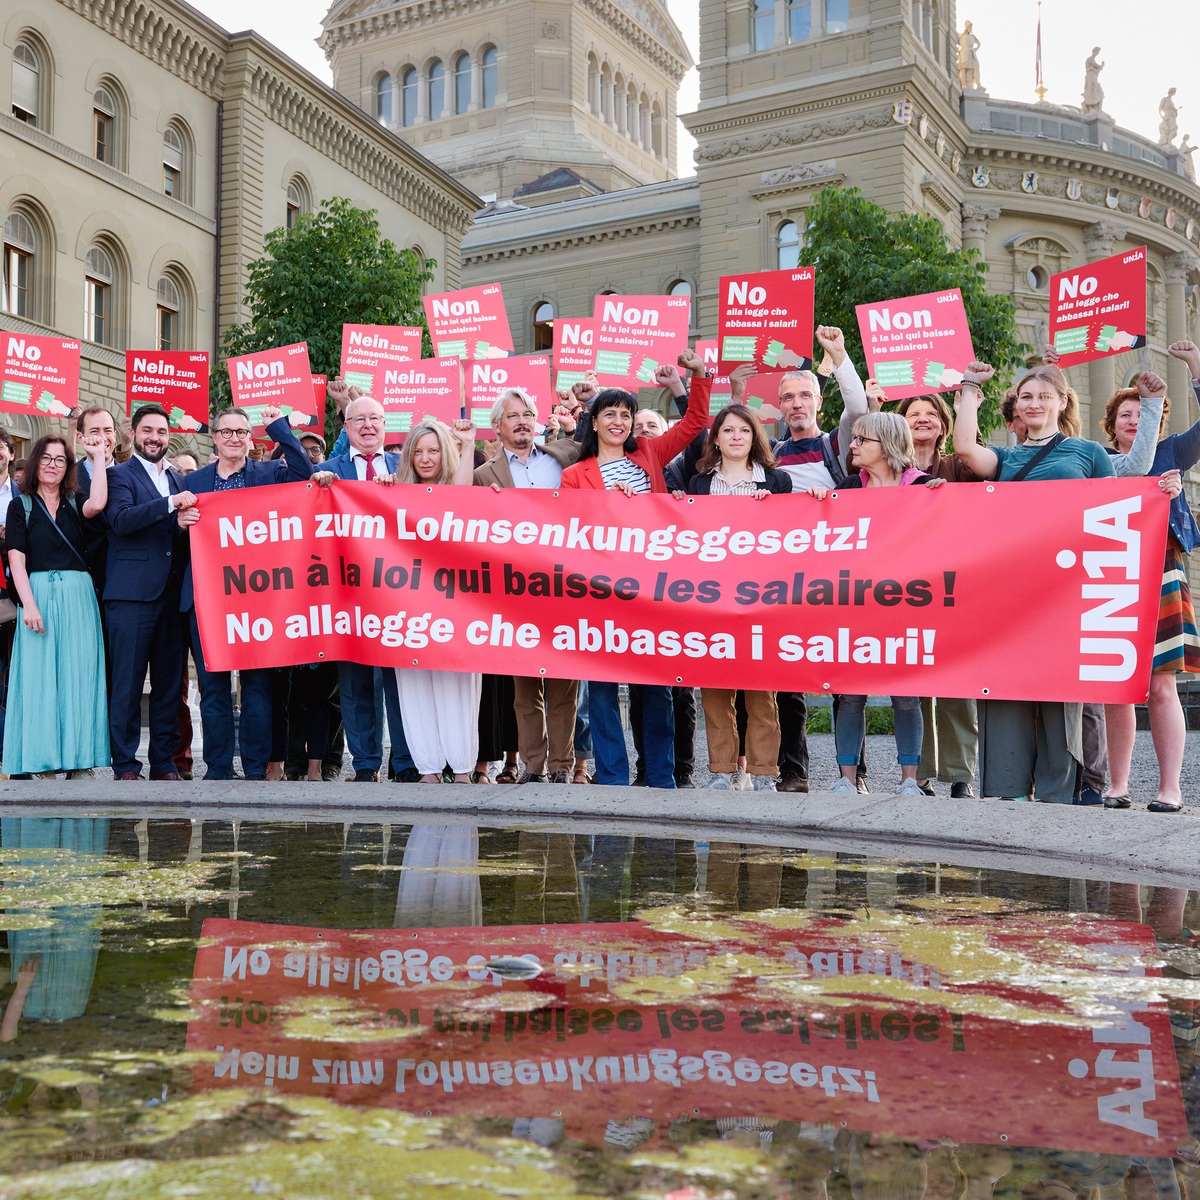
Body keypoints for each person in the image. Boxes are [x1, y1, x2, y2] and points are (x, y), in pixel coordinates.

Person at [950, 361, 1122, 803]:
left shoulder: (1088, 453)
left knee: (1060, 688)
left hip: (1067, 593)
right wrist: (970, 387)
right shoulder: (1007, 458)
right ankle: (1006, 788)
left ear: (1062, 402)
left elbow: (1116, 511)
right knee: (1008, 683)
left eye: (1044, 396)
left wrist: (1162, 491)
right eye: (1026, 396)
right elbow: (965, 446)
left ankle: (1062, 789)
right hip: (1012, 592)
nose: (1034, 403)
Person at [560, 352, 711, 787]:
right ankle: (611, 775)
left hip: (652, 588)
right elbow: (572, 531)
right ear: (595, 420)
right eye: (611, 414)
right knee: (604, 689)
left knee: (657, 686)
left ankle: (660, 776)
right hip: (600, 590)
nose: (620, 422)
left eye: (626, 415)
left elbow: (696, 423)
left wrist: (694, 376)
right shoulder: (575, 475)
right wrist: (611, 507)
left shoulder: (650, 450)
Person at [807, 412, 939, 796]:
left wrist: (947, 499)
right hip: (856, 609)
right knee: (849, 693)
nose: (852, 445)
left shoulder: (926, 488)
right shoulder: (847, 488)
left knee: (907, 694)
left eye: (861, 440)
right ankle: (847, 780)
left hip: (907, 608)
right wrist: (820, 503)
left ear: (888, 445)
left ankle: (909, 781)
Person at [179, 405, 313, 780]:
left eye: (241, 432)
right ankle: (218, 767)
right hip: (206, 599)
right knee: (213, 688)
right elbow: (175, 530)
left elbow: (304, 472)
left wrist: (279, 428)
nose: (234, 438)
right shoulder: (194, 481)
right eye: (226, 432)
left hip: (257, 598)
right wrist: (180, 520)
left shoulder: (270, 473)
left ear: (251, 437)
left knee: (257, 688)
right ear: (215, 437)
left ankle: (255, 768)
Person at [1100, 341, 1200, 813]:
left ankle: (1169, 789)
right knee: (1118, 684)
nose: (1133, 420)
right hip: (1107, 573)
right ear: (1112, 422)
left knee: (1161, 685)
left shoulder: (1173, 451)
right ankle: (1117, 785)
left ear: (1157, 420)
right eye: (1125, 413)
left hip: (1160, 572)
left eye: (1142, 413)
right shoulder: (1094, 461)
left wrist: (1195, 366)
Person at [474, 387, 582, 783]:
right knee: (525, 690)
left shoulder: (564, 456)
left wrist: (579, 409)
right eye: (513, 415)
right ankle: (533, 767)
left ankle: (561, 768)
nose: (522, 420)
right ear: (497, 426)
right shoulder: (483, 476)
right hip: (515, 593)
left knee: (564, 688)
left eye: (528, 413)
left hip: (565, 586)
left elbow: (612, 441)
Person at [684, 404, 791, 792]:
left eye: (744, 431)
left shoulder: (777, 483)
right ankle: (721, 770)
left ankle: (763, 773)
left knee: (761, 691)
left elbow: (794, 536)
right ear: (716, 438)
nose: (735, 437)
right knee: (714, 691)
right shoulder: (699, 483)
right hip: (710, 598)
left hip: (760, 599)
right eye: (728, 430)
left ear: (754, 437)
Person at [312, 396, 418, 783]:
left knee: (401, 682)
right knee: (356, 685)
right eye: (360, 419)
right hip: (348, 596)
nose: (368, 425)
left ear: (386, 424)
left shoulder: (405, 469)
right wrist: (318, 489)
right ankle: (367, 764)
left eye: (376, 418)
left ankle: (406, 763)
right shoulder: (325, 472)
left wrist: (399, 490)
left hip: (398, 594)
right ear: (346, 426)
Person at [375, 419, 482, 782]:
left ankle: (463, 768)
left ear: (444, 454)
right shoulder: (393, 492)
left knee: (457, 686)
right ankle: (429, 769)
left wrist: (468, 444)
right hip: (407, 606)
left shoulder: (455, 491)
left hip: (455, 605)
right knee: (415, 686)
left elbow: (463, 496)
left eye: (433, 450)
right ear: (408, 455)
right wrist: (384, 489)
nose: (425, 458)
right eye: (418, 451)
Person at [4, 434, 110, 778]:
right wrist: (29, 605)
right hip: (37, 596)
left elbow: (97, 503)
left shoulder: (74, 500)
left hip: (78, 595)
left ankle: (80, 761)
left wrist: (97, 457)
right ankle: (42, 761)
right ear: (36, 463)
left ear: (68, 467)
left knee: (80, 677)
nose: (53, 465)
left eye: (61, 460)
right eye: (47, 458)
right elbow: (16, 561)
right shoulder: (20, 506)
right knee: (38, 679)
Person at [895, 392, 982, 799]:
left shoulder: (959, 466)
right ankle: (922, 772)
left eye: (931, 414)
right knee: (916, 683)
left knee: (957, 685)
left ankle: (960, 773)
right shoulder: (890, 469)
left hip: (954, 589)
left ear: (944, 425)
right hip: (903, 591)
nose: (923, 419)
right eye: (914, 414)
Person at [103, 405, 197, 781]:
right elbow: (121, 520)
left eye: (161, 431)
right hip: (130, 596)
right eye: (148, 430)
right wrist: (170, 506)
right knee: (126, 684)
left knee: (169, 685)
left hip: (172, 597)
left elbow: (171, 535)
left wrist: (184, 525)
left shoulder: (176, 478)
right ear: (133, 433)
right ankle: (125, 765)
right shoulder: (117, 475)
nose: (155, 437)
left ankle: (163, 763)